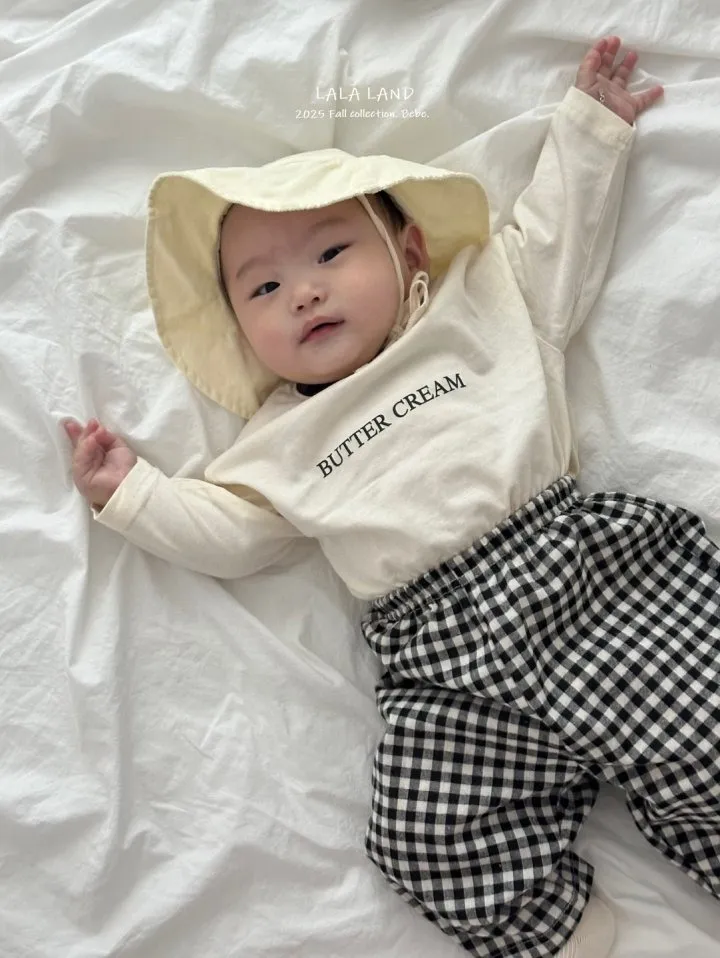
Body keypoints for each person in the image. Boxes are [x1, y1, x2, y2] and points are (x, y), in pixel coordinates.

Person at [63, 36, 719, 958]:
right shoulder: (276, 440)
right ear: (242, 330)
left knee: (701, 736)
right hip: (445, 667)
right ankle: (555, 928)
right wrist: (132, 493)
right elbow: (235, 532)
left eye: (331, 251)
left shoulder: (479, 306)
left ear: (408, 249)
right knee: (421, 837)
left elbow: (557, 236)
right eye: (264, 287)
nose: (304, 293)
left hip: (584, 586)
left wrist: (589, 128)